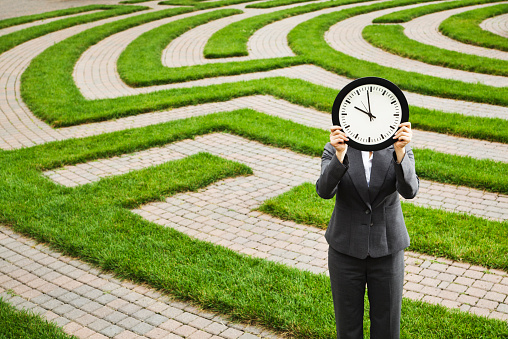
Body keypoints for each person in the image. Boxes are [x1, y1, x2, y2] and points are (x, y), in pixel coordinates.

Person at [315, 122, 418, 339]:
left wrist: (400, 152)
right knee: (348, 326)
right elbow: (324, 191)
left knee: (387, 327)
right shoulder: (334, 147)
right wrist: (339, 155)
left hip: (388, 249)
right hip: (345, 251)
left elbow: (409, 190)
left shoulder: (399, 146)